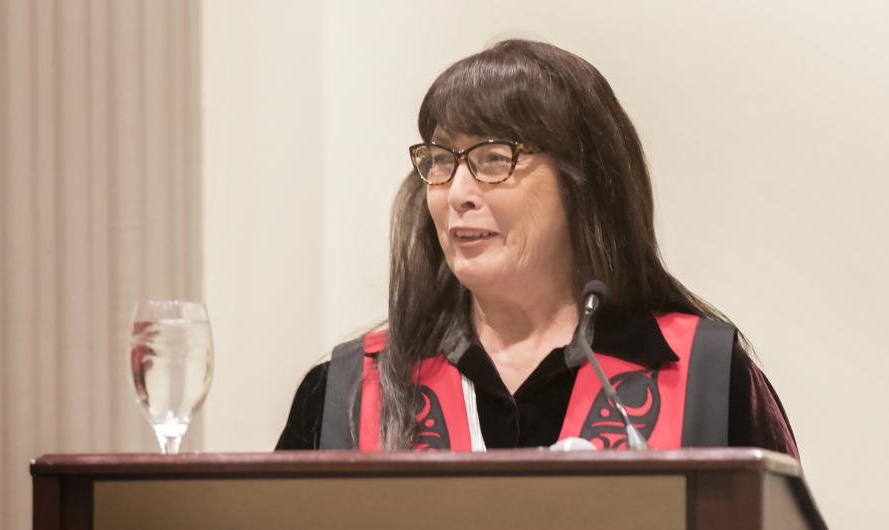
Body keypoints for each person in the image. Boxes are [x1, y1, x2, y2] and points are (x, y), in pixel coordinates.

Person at [276, 39, 798, 457]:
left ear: (583, 182)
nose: (457, 194)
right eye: (440, 161)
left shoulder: (703, 375)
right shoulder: (349, 392)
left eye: (493, 157)